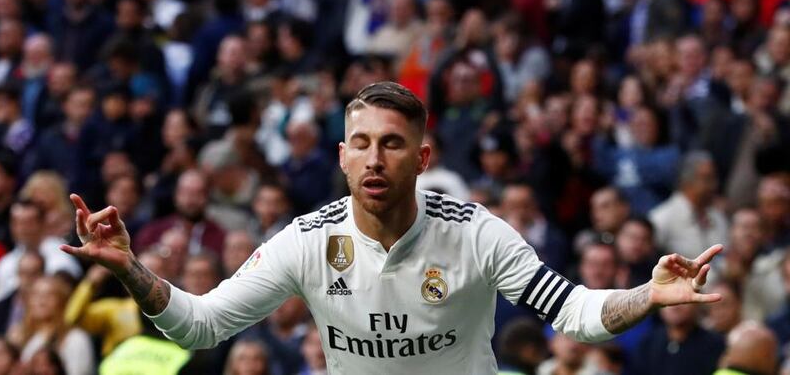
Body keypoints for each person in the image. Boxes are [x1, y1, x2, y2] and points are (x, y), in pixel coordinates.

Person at [61, 82, 724, 374]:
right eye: (362, 144)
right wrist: (130, 268)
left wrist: (648, 294)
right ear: (343, 157)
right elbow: (200, 325)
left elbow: (574, 313)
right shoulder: (307, 240)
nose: (375, 158)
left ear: (422, 159)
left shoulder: (477, 233)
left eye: (392, 143)